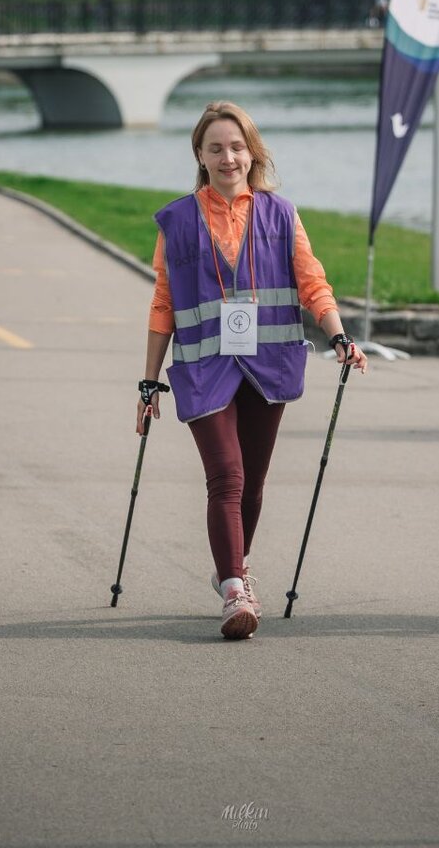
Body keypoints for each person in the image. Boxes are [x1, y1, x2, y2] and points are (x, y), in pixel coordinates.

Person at [136, 100, 367, 640]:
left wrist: (338, 335)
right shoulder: (176, 220)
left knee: (254, 483)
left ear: (252, 153)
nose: (227, 157)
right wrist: (149, 380)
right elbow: (163, 303)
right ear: (200, 153)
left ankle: (232, 564)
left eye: (237, 147)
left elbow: (312, 281)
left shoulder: (281, 214)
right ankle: (235, 590)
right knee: (227, 476)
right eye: (215, 147)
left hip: (268, 363)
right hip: (202, 366)